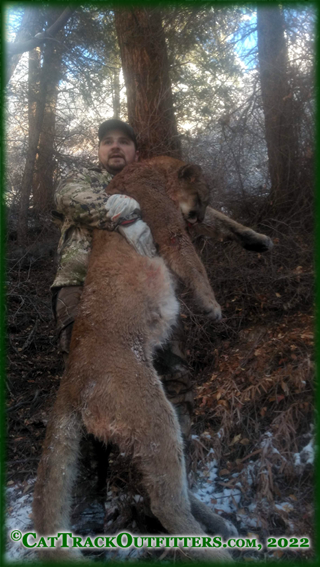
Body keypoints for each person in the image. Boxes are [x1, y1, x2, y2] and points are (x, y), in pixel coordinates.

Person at [51, 119, 193, 449]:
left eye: (124, 142)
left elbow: (179, 224)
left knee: (173, 374)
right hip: (82, 287)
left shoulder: (153, 186)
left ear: (136, 152)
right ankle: (91, 499)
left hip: (144, 289)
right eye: (108, 141)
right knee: (88, 389)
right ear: (99, 150)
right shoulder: (82, 179)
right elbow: (69, 198)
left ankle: (175, 476)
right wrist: (122, 214)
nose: (115, 146)